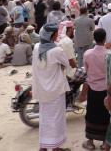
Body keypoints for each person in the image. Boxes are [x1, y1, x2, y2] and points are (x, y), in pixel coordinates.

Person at [32, 23, 71, 151]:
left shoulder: (37, 47)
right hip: (56, 89)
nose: (57, 35)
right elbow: (66, 63)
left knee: (44, 117)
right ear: (52, 35)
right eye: (56, 33)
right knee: (56, 118)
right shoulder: (57, 50)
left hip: (42, 90)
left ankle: (43, 146)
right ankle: (55, 147)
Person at [82, 28, 110, 150]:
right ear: (105, 39)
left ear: (94, 38)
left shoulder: (87, 54)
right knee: (105, 114)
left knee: (92, 114)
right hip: (105, 89)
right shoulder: (109, 54)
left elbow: (86, 71)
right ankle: (105, 142)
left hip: (93, 89)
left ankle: (90, 141)